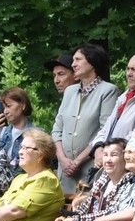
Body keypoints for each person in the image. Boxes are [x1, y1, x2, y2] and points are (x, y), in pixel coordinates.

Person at [49, 45, 119, 189]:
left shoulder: (108, 91)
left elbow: (104, 131)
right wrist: (62, 159)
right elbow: (57, 129)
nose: (73, 64)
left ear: (92, 62)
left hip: (90, 168)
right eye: (73, 60)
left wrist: (77, 161)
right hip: (65, 170)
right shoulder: (69, 91)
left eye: (78, 59)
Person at [0, 87, 34, 165]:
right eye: (3, 108)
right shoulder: (1, 132)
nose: (5, 112)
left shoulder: (36, 134)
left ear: (23, 105)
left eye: (8, 106)